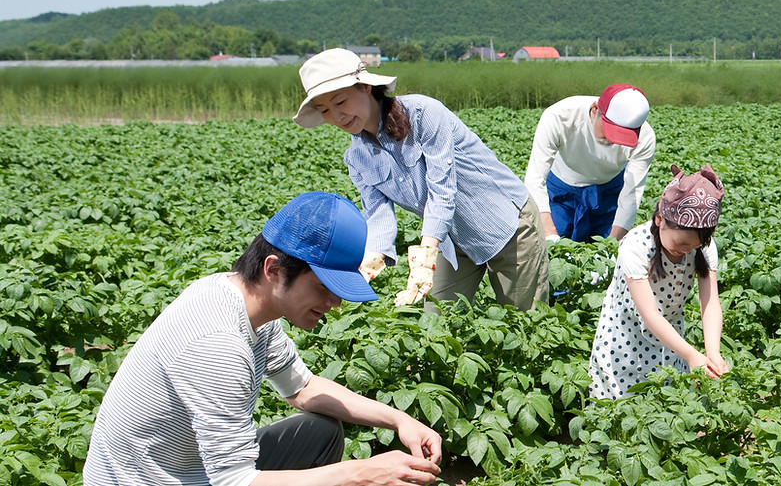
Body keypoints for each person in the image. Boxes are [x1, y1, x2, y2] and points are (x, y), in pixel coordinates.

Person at [85, 191, 443, 486]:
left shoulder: (246, 301)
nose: (334, 303)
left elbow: (301, 389)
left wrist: (399, 420)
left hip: (189, 468)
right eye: (323, 287)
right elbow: (235, 481)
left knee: (319, 432)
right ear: (273, 269)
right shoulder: (217, 343)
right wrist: (362, 473)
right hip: (150, 481)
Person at [294, 48, 548, 310]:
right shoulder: (357, 157)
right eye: (324, 110)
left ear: (366, 87)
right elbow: (378, 215)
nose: (336, 117)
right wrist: (368, 263)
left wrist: (425, 258)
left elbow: (442, 190)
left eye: (340, 102)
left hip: (506, 224)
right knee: (435, 319)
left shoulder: (423, 113)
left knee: (521, 318)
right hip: (451, 238)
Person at [589, 165, 728, 399]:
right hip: (625, 337)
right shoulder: (636, 246)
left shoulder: (704, 248)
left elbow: (711, 303)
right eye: (680, 244)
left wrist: (712, 351)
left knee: (669, 405)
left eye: (694, 246)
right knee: (619, 410)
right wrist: (692, 355)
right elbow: (650, 315)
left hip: (671, 337)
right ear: (659, 220)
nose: (686, 251)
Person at [524, 84, 656, 243]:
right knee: (555, 244)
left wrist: (611, 245)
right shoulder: (559, 116)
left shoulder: (645, 137)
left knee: (603, 249)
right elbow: (535, 179)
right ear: (595, 110)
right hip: (561, 187)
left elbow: (631, 194)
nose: (613, 140)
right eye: (610, 131)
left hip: (610, 191)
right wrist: (551, 235)